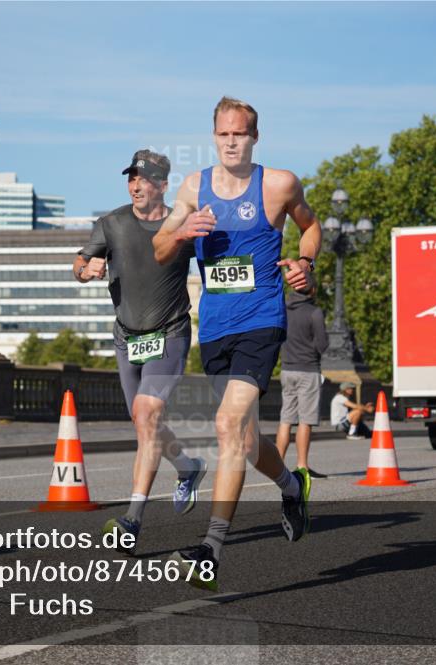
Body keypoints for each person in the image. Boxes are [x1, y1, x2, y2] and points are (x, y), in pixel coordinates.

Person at [153, 97, 322, 590]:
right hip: (217, 328)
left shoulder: (279, 184)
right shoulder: (193, 187)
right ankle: (292, 487)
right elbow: (160, 250)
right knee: (245, 441)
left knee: (227, 426)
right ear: (214, 136)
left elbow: (310, 227)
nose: (232, 141)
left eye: (240, 133)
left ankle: (211, 548)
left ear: (255, 137)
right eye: (224, 134)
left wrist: (304, 263)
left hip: (262, 321)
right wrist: (182, 231)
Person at [74, 149, 208, 554]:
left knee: (147, 415)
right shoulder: (111, 223)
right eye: (132, 178)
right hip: (126, 338)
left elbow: (217, 264)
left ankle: (132, 519)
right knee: (143, 422)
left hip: (169, 333)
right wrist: (86, 270)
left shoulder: (181, 223)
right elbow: (79, 264)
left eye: (145, 178)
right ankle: (188, 467)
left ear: (163, 185)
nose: (136, 185)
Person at [275, 285, 329, 477]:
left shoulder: (283, 309)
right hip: (308, 369)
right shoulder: (314, 312)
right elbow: (323, 345)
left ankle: (277, 466)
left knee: (286, 419)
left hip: (287, 369)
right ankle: (302, 466)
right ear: (312, 290)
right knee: (305, 420)